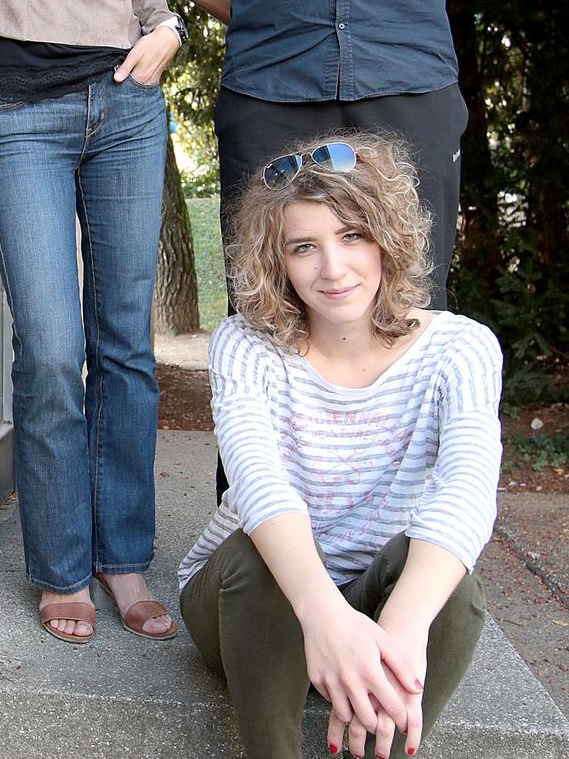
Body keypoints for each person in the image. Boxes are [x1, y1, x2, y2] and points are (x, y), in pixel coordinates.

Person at [178, 132, 502, 759]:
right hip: (247, 601)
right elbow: (257, 484)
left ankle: (378, 740)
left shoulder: (460, 350)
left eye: (352, 236)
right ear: (278, 262)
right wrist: (324, 619)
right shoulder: (247, 346)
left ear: (388, 236)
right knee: (255, 552)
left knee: (455, 596)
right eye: (304, 247)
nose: (333, 268)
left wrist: (403, 629)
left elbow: (467, 485)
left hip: (375, 597)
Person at [175, 0, 498, 500]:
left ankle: (414, 535)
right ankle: (261, 532)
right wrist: (282, 19)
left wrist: (386, 7)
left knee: (411, 303)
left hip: (409, 83)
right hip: (270, 89)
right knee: (266, 308)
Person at [0, 0, 188, 643]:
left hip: (126, 100)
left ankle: (122, 557)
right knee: (53, 349)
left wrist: (167, 29)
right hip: (17, 105)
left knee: (124, 341)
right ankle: (62, 565)